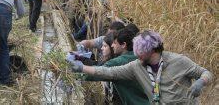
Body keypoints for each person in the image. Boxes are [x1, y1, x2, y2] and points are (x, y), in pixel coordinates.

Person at [70, 30, 213, 104]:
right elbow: (109, 72)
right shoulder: (137, 66)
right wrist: (82, 68)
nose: (137, 55)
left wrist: (201, 82)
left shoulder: (179, 61)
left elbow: (206, 73)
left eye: (141, 52)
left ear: (151, 50)